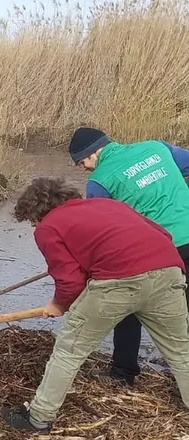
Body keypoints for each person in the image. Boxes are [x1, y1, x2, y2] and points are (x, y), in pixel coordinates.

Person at [2, 177, 189, 432]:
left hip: (118, 283)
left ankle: (38, 418)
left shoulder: (48, 227)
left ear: (36, 213)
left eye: (32, 219)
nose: (34, 225)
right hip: (168, 270)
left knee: (69, 351)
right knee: (181, 350)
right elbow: (163, 234)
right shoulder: (108, 204)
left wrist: (58, 305)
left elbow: (70, 281)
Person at [69, 127, 189, 386]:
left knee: (129, 304)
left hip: (162, 248)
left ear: (93, 153)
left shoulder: (99, 181)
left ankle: (123, 372)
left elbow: (104, 231)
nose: (83, 168)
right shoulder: (156, 147)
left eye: (82, 162)